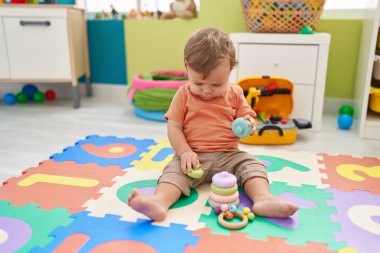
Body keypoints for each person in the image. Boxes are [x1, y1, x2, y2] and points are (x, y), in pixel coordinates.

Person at [128, 28, 299, 221]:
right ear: (187, 67)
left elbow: (247, 119)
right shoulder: (183, 94)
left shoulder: (235, 93)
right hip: (193, 158)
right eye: (199, 83)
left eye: (217, 84)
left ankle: (263, 198)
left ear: (230, 70)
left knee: (253, 165)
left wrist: (249, 124)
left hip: (229, 156)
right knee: (173, 172)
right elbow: (173, 127)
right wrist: (184, 152)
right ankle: (159, 202)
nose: (207, 91)